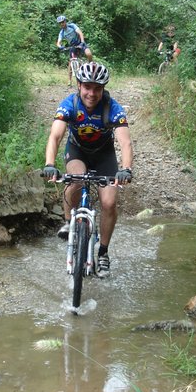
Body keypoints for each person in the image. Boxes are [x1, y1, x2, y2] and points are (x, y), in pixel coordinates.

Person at [42, 62, 133, 277]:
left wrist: (126, 169)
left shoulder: (113, 108)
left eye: (97, 88)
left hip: (104, 155)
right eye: (87, 87)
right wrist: (49, 164)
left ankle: (102, 253)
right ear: (79, 85)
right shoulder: (69, 104)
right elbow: (55, 136)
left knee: (109, 202)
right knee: (75, 180)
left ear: (103, 89)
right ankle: (68, 224)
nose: (92, 93)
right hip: (77, 151)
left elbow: (125, 143)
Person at [56, 15, 93, 86]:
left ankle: (90, 68)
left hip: (80, 43)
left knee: (89, 54)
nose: (61, 24)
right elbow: (58, 42)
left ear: (65, 21)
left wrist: (82, 42)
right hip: (73, 46)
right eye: (60, 23)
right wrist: (60, 46)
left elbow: (80, 33)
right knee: (71, 62)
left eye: (62, 22)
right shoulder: (62, 32)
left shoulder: (72, 26)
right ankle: (69, 80)